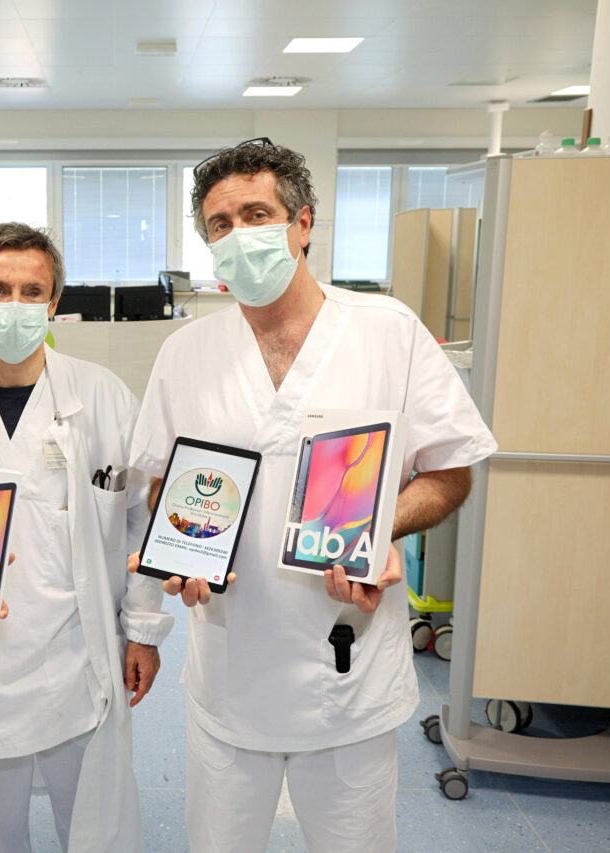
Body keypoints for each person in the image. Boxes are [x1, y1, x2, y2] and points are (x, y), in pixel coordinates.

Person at [128, 139, 498, 853]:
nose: (238, 235)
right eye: (219, 224)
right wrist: (176, 557)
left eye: (255, 213)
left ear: (303, 222)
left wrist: (375, 531)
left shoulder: (385, 332)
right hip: (230, 671)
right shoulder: (188, 353)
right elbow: (157, 483)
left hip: (346, 669)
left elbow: (452, 472)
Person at [0, 222, 173, 853]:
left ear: (55, 303)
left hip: (78, 652)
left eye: (33, 291)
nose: (14, 305)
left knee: (92, 821)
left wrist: (141, 630)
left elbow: (144, 517)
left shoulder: (101, 395)